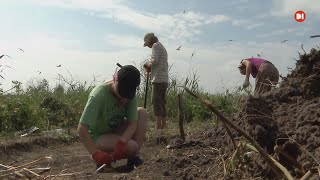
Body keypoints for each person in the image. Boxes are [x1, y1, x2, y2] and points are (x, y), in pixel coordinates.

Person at [77, 65, 148, 171]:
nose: (123, 97)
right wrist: (95, 153)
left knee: (142, 112)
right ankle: (102, 159)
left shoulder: (129, 94)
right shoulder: (98, 96)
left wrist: (121, 143)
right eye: (121, 92)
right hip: (99, 135)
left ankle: (133, 158)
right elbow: (81, 129)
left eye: (126, 94)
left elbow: (133, 124)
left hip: (116, 129)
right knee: (132, 146)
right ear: (114, 78)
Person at [143, 32, 169, 129]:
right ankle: (163, 125)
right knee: (162, 102)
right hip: (164, 78)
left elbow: (155, 60)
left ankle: (158, 126)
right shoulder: (161, 46)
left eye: (147, 44)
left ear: (150, 41)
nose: (148, 47)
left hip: (158, 79)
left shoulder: (155, 45)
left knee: (156, 101)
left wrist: (147, 65)